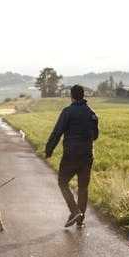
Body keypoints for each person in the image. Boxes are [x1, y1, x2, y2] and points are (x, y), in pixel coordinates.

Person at [44, 84, 99, 227]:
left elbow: (57, 131)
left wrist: (49, 150)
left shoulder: (68, 112)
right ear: (84, 95)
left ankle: (74, 211)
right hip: (87, 155)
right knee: (83, 187)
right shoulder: (92, 113)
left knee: (62, 182)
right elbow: (96, 135)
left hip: (71, 155)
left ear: (72, 96)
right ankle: (80, 220)